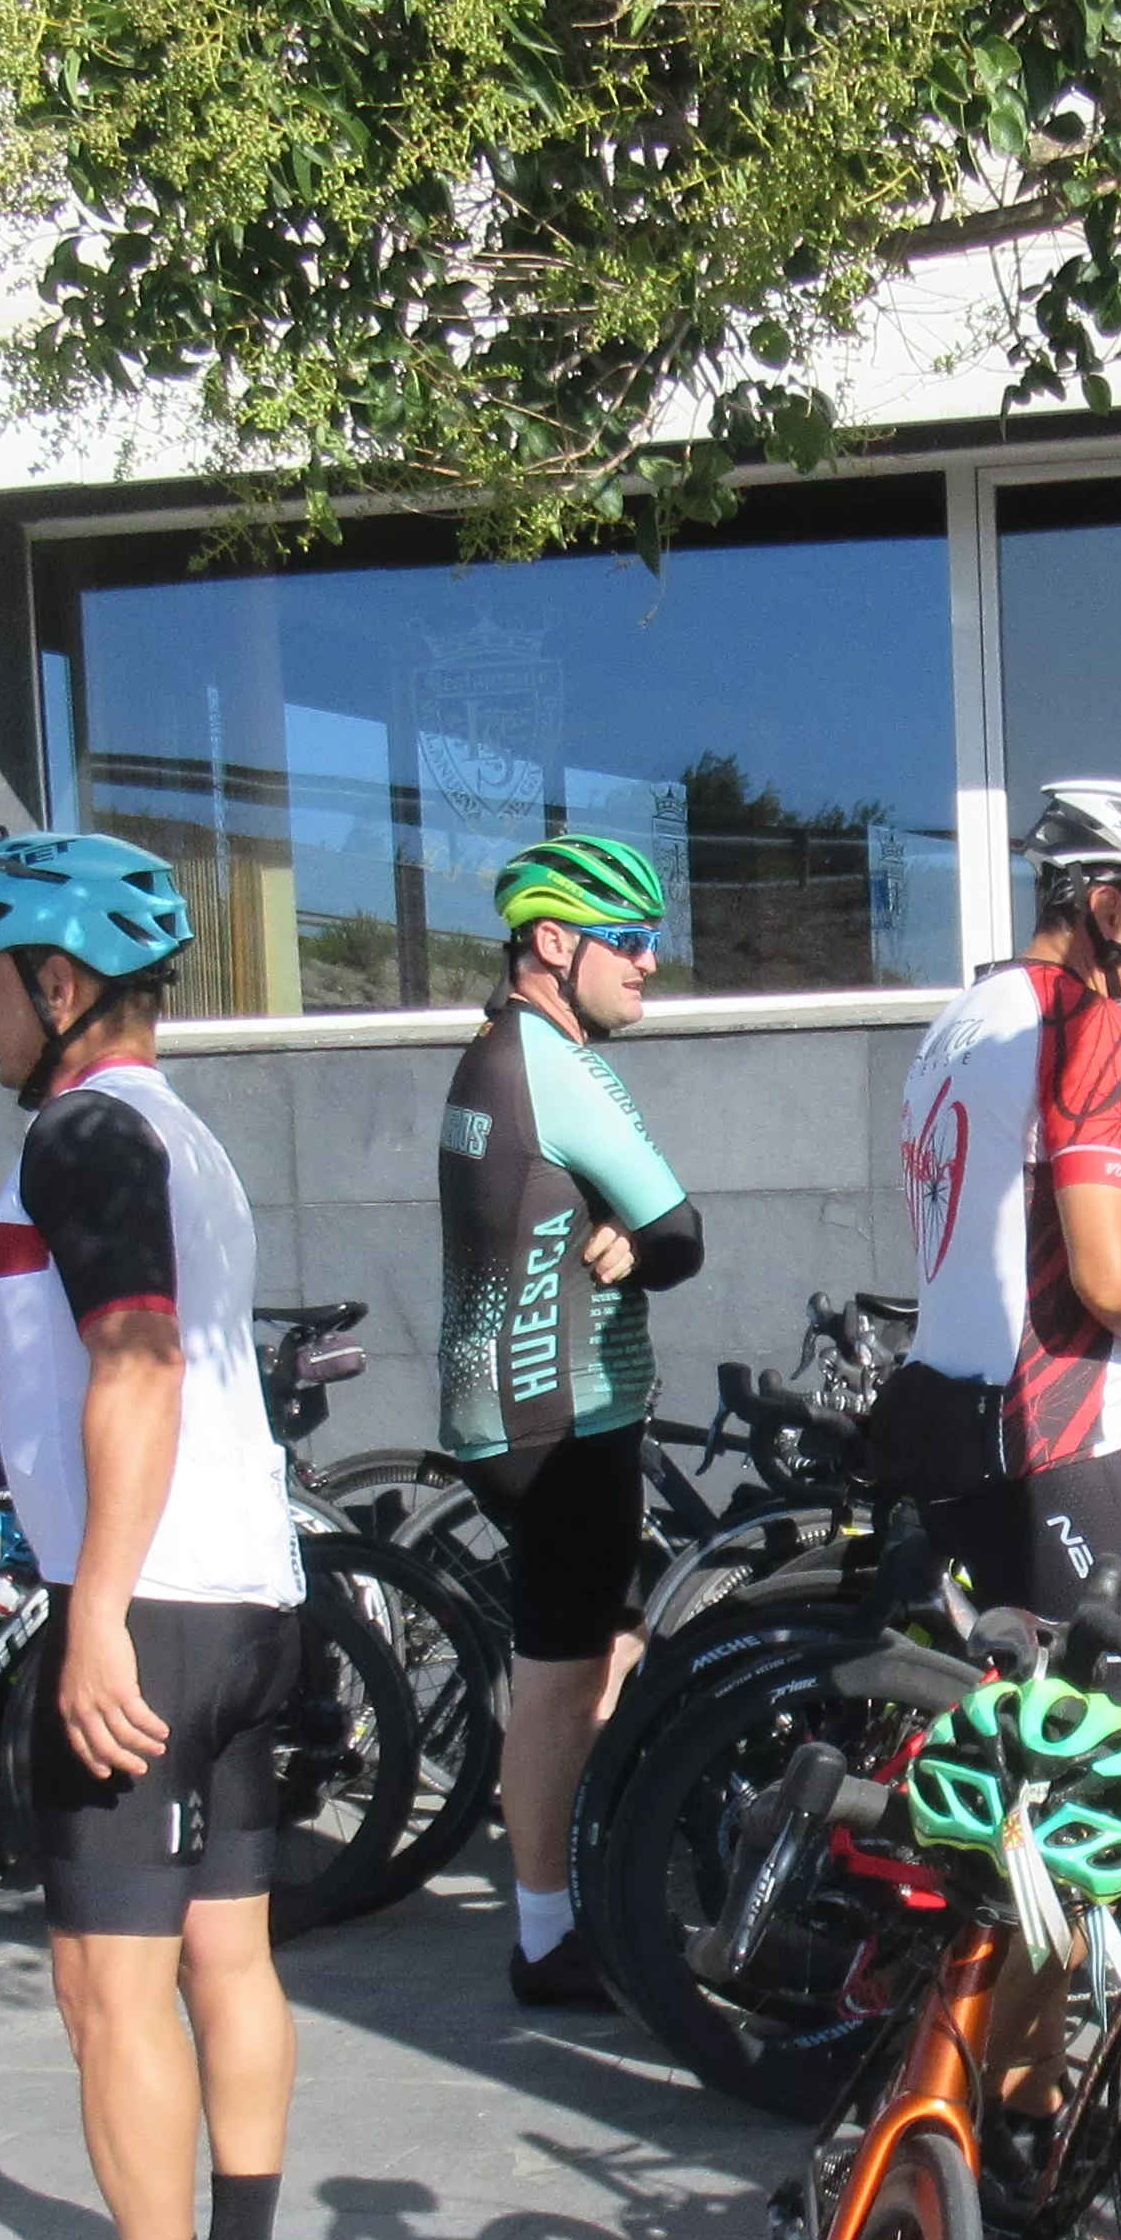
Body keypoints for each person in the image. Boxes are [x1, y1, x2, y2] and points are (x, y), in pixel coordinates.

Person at [0, 828, 308, 2240]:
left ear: (60, 980)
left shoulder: (82, 1131)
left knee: (109, 1987)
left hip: (151, 1602)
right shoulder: (184, 1134)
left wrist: (90, 1611)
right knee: (227, 1954)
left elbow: (141, 1361)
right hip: (250, 1594)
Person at [893, 780, 1121, 1753]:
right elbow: (1107, 1278)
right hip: (1046, 1455)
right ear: (1110, 908)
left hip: (951, 1425)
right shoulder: (1085, 1027)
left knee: (1043, 1761)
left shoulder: (969, 1018)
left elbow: (1019, 1256)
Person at [434, 831, 699, 2008]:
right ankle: (547, 1939)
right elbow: (681, 1232)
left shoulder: (497, 1051)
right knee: (557, 1683)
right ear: (553, 942)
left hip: (519, 1410)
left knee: (610, 1648)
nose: (651, 962)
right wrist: (639, 1236)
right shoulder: (550, 1065)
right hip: (557, 1422)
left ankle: (585, 1882)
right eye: (629, 940)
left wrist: (616, 1232)